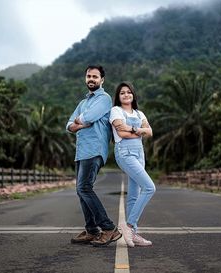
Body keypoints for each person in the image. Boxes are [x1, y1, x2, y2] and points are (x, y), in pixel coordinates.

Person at [66, 65, 122, 247]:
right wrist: (80, 124)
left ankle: (109, 228)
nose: (91, 79)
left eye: (95, 76)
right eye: (89, 76)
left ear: (102, 80)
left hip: (94, 149)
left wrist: (80, 122)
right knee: (81, 190)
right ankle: (92, 230)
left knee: (85, 188)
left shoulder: (104, 99)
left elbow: (88, 118)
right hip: (81, 152)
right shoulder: (83, 103)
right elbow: (69, 125)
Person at [109, 81, 156, 247]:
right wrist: (139, 131)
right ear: (118, 96)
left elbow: (149, 132)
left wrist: (134, 130)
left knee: (134, 195)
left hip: (139, 154)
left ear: (133, 95)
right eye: (122, 93)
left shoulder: (139, 113)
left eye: (129, 92)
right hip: (125, 153)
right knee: (150, 187)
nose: (126, 95)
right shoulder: (115, 111)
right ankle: (128, 226)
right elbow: (121, 132)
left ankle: (133, 233)